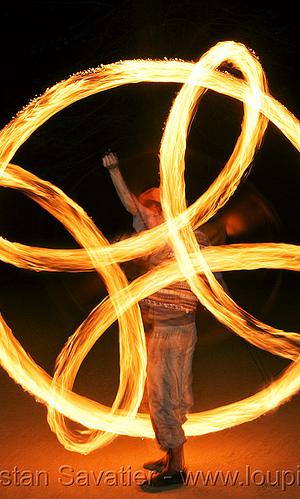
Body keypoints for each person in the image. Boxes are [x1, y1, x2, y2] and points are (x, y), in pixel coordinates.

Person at [102, 150, 211, 489]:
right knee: (158, 395)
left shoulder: (188, 240)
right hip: (159, 328)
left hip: (178, 330)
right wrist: (115, 170)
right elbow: (129, 204)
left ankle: (177, 469)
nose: (145, 216)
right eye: (147, 211)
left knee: (167, 397)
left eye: (152, 211)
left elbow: (211, 268)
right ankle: (169, 455)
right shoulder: (152, 239)